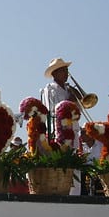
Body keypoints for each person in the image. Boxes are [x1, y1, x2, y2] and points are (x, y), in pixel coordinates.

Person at [40, 58, 85, 195]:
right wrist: (70, 100)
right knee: (63, 164)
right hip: (59, 132)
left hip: (73, 130)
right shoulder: (50, 89)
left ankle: (75, 194)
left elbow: (79, 111)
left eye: (66, 70)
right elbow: (53, 110)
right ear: (55, 74)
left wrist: (78, 98)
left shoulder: (69, 89)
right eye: (63, 71)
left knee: (75, 164)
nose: (66, 74)